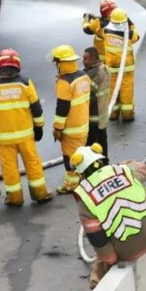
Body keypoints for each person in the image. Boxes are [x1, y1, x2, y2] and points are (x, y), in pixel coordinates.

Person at [71, 144, 146, 289]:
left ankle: (97, 281)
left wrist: (111, 259)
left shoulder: (85, 197)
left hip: (125, 253)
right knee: (145, 191)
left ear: (81, 173)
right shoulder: (122, 170)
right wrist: (123, 166)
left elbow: (97, 239)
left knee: (102, 251)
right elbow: (143, 169)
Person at [0, 49, 53, 206]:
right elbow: (36, 108)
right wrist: (39, 127)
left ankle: (15, 198)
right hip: (26, 136)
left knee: (10, 168)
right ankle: (40, 194)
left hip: (3, 138)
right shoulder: (26, 83)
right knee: (33, 164)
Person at [48, 44, 92, 194]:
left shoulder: (64, 82)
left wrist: (57, 128)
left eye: (56, 62)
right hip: (83, 125)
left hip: (71, 129)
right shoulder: (84, 76)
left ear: (62, 63)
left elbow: (62, 107)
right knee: (82, 154)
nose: (55, 65)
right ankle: (83, 180)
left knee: (70, 158)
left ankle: (71, 185)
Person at [103, 8, 140, 121]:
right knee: (126, 91)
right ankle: (127, 115)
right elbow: (137, 37)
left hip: (111, 69)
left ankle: (113, 114)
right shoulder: (129, 34)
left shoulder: (105, 31)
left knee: (112, 90)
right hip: (126, 69)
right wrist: (131, 24)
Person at [83, 47, 111, 157]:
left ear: (93, 59)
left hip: (93, 115)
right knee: (102, 140)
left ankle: (94, 166)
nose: (83, 61)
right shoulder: (104, 68)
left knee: (91, 144)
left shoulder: (92, 73)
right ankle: (105, 163)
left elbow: (88, 93)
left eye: (86, 59)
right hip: (102, 115)